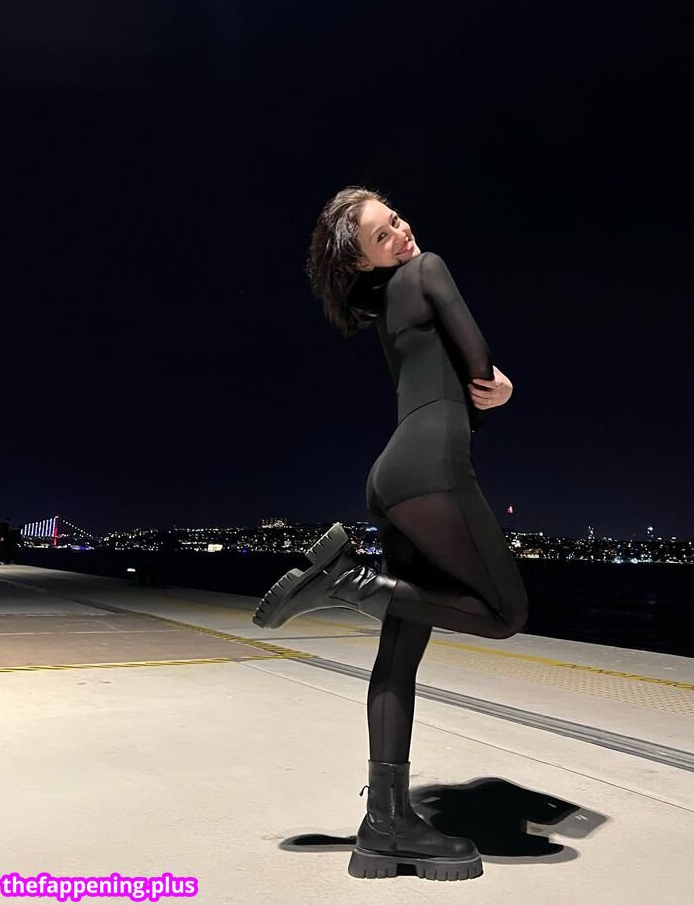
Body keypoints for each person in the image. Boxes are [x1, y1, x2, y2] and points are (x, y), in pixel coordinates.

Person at [255, 186, 528, 881]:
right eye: (383, 235)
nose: (402, 233)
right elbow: (478, 368)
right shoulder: (429, 270)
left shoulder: (386, 310)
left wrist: (481, 387)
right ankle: (350, 582)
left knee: (399, 654)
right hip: (432, 467)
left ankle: (384, 825)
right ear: (366, 262)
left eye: (396, 220)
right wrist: (501, 387)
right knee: (504, 612)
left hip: (393, 475)